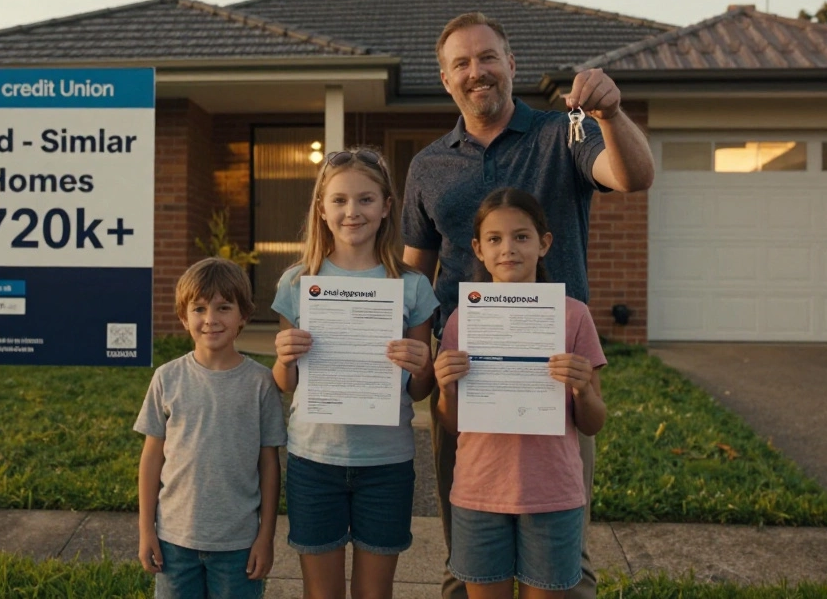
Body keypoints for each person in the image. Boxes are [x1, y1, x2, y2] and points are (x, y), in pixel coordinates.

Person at [401, 12, 654, 599]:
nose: (476, 71)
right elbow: (416, 277)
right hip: (468, 368)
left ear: (511, 64)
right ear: (445, 79)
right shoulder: (428, 166)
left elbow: (633, 176)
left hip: (555, 367)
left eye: (488, 57)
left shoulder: (563, 133)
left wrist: (610, 115)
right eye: (461, 63)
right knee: (465, 543)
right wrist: (416, 367)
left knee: (563, 547)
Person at [271, 146, 440, 599]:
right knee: (320, 593)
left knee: (374, 593)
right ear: (322, 209)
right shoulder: (297, 283)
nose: (353, 211)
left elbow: (421, 390)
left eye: (366, 199)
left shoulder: (412, 287)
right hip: (314, 459)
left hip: (386, 462)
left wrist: (422, 366)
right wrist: (284, 358)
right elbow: (287, 385)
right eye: (340, 200)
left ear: (387, 208)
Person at [432, 188, 608, 599]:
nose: (507, 248)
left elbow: (594, 421)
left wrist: (582, 390)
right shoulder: (463, 319)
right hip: (480, 489)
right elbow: (453, 423)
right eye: (494, 239)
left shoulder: (572, 315)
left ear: (544, 243)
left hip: (551, 492)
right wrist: (445, 389)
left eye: (521, 237)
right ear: (477, 249)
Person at [135, 257, 286, 599]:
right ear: (183, 318)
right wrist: (147, 530)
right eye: (199, 309)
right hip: (175, 540)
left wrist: (266, 536)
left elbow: (269, 464)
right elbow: (150, 459)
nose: (211, 319)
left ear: (243, 315)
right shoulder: (167, 378)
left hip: (239, 545)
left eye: (223, 307)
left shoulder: (261, 383)